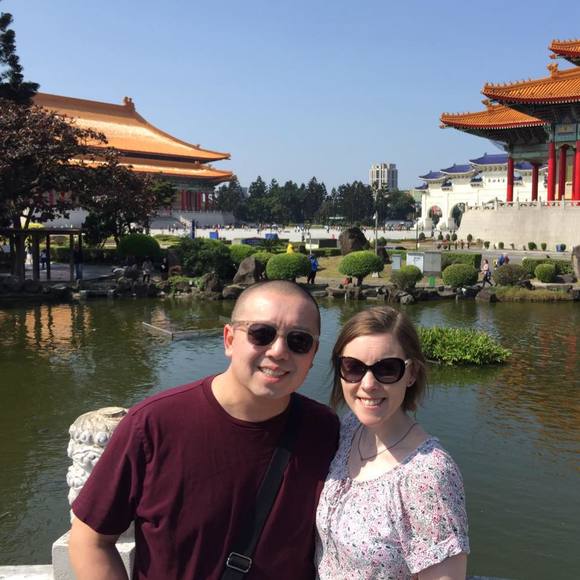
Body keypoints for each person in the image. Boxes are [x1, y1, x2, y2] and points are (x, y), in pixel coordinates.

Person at [69, 280, 339, 580]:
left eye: (298, 341)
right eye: (261, 334)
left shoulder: (324, 430)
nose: (278, 351)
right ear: (229, 339)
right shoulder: (154, 424)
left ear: (313, 354)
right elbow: (90, 540)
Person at [316, 306, 469, 579]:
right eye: (353, 367)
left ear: (411, 374)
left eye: (387, 369)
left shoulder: (428, 475)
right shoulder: (350, 429)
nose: (368, 384)